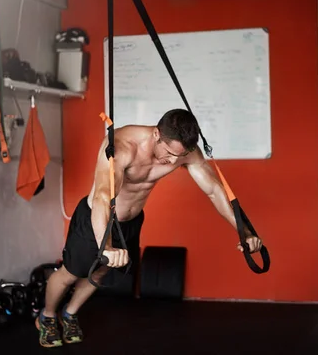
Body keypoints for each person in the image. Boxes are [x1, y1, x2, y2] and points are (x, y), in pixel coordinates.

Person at [36, 108, 263, 348]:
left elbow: (215, 191)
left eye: (182, 155)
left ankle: (70, 314)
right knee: (70, 274)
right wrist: (107, 244)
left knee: (101, 273)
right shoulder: (122, 146)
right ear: (156, 134)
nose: (174, 162)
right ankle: (47, 316)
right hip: (97, 219)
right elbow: (104, 196)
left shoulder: (184, 151)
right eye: (170, 153)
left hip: (131, 222)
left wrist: (244, 231)